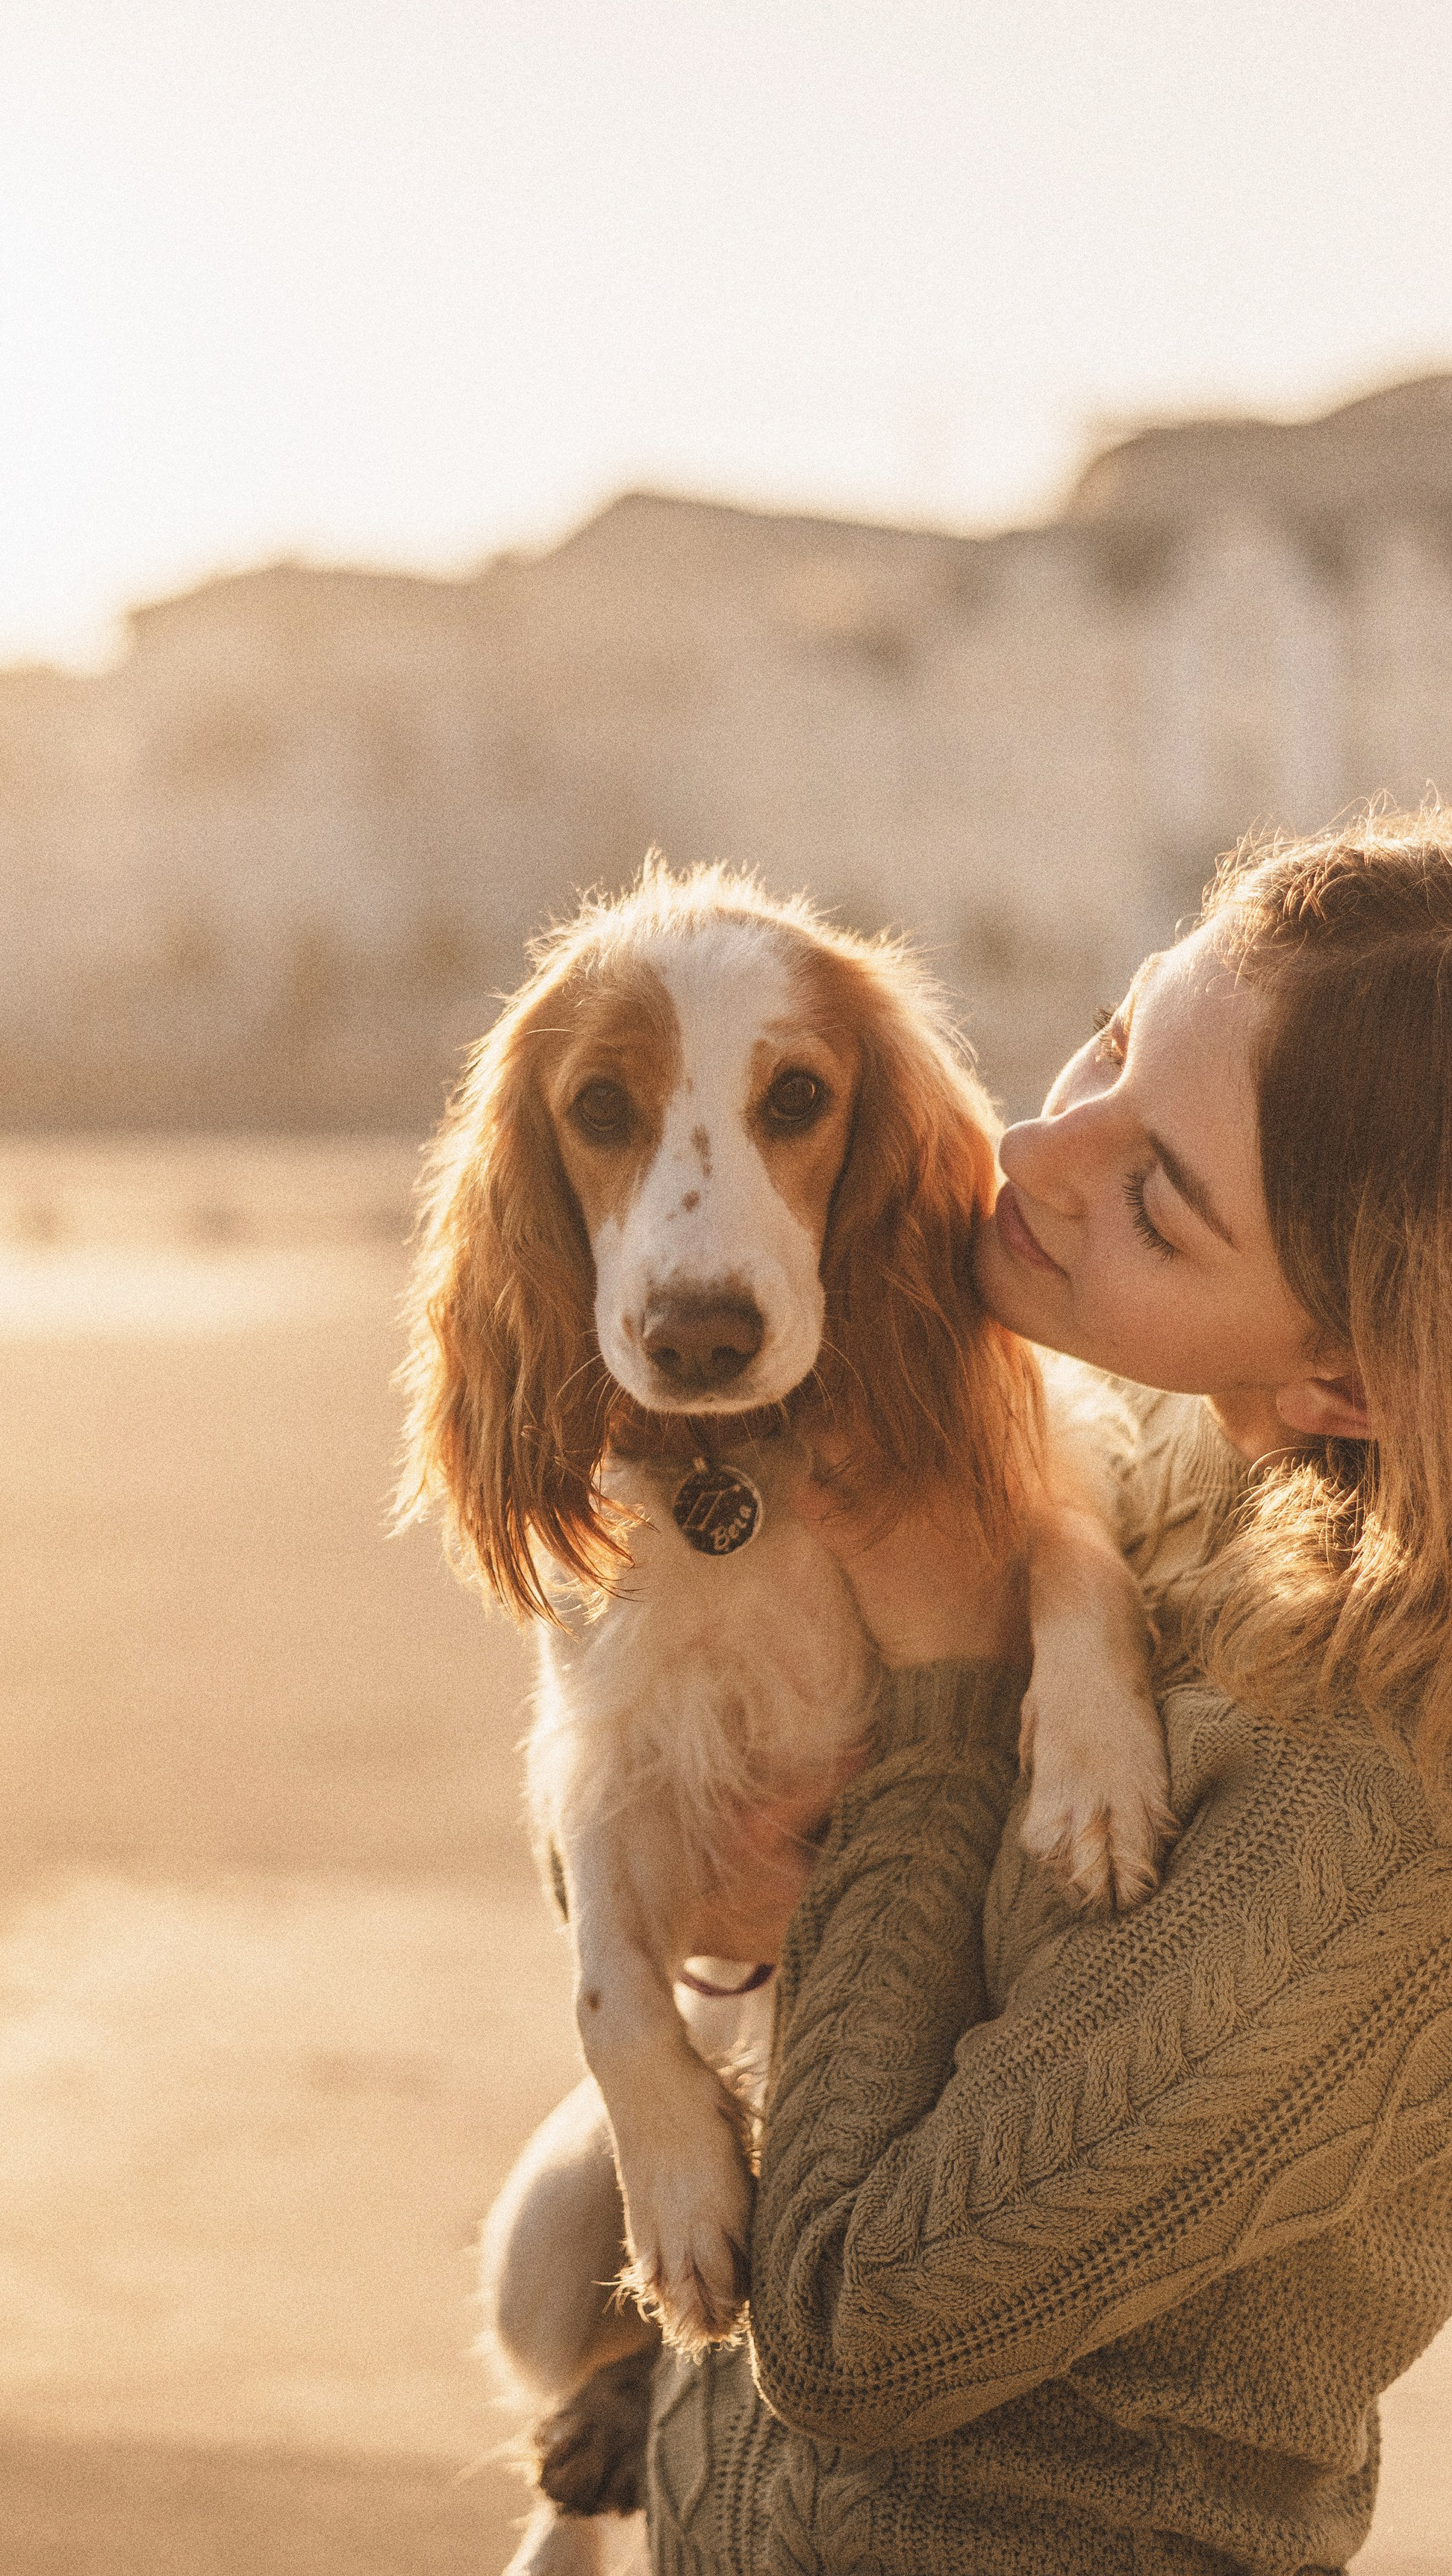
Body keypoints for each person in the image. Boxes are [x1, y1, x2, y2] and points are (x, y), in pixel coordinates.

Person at [644, 809, 1452, 2575]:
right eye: (1110, 1032)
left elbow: (855, 2331)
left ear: (1342, 1378)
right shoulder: (1158, 1447)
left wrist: (941, 1673)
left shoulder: (1375, 1820)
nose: (1031, 1144)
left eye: (1153, 1196)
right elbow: (691, 1864)